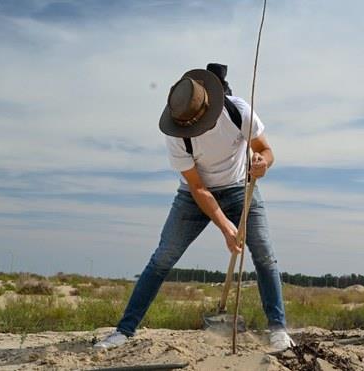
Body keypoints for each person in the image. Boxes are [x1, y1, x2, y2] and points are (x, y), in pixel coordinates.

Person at [95, 64, 294, 351]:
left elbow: (266, 150)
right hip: (193, 196)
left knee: (264, 255)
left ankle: (278, 329)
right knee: (162, 258)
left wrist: (263, 163)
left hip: (240, 189)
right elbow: (198, 188)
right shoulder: (176, 134)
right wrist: (226, 226)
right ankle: (124, 331)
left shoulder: (238, 111)